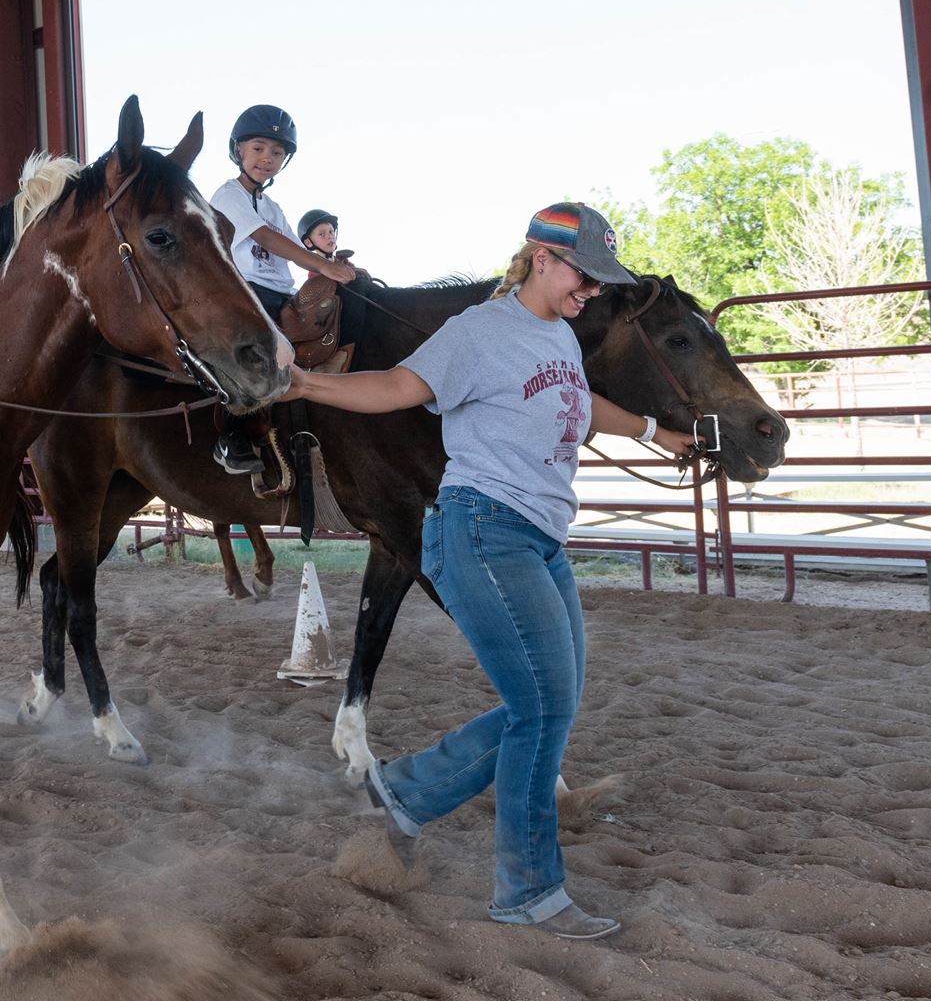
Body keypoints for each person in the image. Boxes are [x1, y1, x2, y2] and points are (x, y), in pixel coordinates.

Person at [284, 202, 694, 941]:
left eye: (599, 281)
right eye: (583, 275)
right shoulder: (478, 330)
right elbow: (398, 388)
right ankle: (528, 889)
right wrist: (310, 389)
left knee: (550, 703)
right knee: (540, 710)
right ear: (541, 258)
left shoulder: (558, 336)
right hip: (482, 530)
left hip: (539, 538)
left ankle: (406, 790)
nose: (591, 291)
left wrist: (657, 432)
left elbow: (584, 402)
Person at [209, 106, 355, 474]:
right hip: (244, 289)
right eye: (258, 148)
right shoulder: (228, 196)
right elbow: (264, 238)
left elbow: (299, 250)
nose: (267, 159)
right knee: (262, 348)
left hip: (279, 292)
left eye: (277, 153)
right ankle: (231, 436)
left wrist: (332, 266)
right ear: (238, 150)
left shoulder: (272, 206)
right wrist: (322, 265)